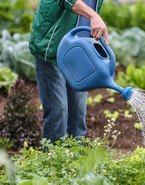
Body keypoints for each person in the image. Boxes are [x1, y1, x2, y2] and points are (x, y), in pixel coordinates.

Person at [29, 0, 108, 143]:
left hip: (80, 51)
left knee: (78, 112)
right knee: (58, 111)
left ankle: (77, 159)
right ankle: (54, 160)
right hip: (52, 47)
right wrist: (93, 16)